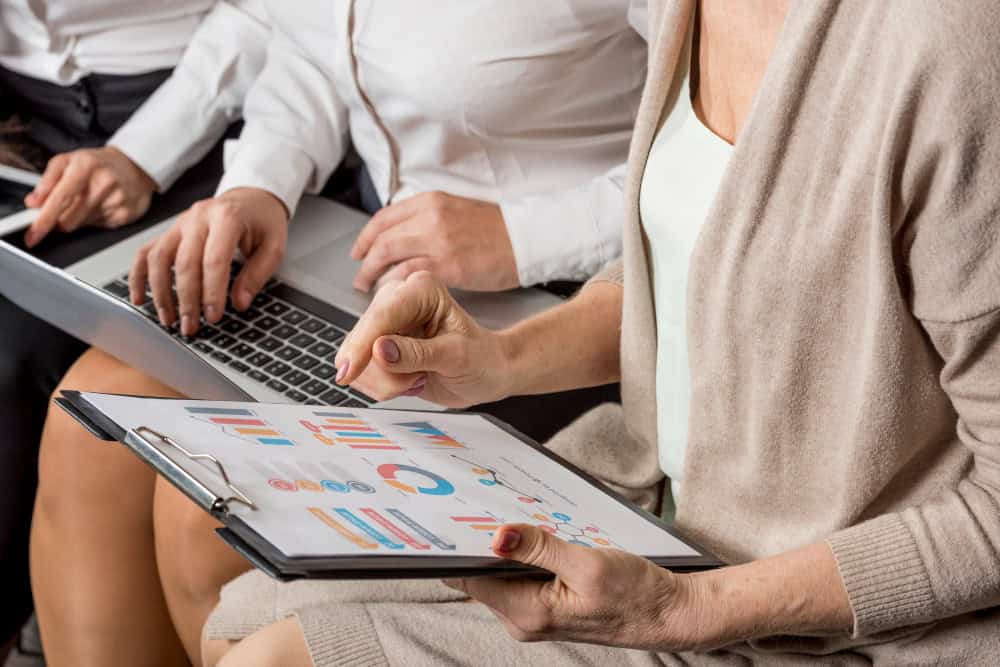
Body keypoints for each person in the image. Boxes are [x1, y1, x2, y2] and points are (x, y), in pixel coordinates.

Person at [190, 0, 1000, 665]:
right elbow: (701, 263)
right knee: (235, 611)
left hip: (833, 615)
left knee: (268, 659)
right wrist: (499, 356)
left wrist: (685, 607)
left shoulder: (953, 48)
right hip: (658, 513)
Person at [30, 2, 647, 666]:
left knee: (204, 512)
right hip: (375, 258)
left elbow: (726, 165)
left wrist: (522, 237)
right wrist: (261, 186)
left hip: (578, 308)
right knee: (88, 416)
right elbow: (317, 47)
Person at [0, 1, 268, 660]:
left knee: (15, 354)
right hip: (19, 107)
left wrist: (142, 156)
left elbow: (282, 20)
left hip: (193, 105)